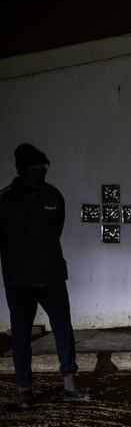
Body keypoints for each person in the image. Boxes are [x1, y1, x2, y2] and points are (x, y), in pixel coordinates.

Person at [0, 144, 89, 408]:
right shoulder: (4, 201)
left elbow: (55, 231)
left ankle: (67, 386)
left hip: (49, 275)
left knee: (63, 330)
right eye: (36, 167)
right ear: (22, 169)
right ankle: (25, 392)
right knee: (21, 337)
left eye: (44, 167)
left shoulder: (53, 196)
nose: (41, 171)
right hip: (20, 280)